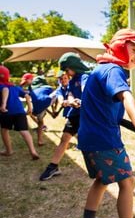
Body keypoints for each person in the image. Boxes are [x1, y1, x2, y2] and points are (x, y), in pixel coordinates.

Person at [76, 28, 135, 218]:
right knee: (127, 182)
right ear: (120, 47)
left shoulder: (99, 70)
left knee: (102, 180)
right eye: (134, 50)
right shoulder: (113, 70)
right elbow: (126, 95)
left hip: (88, 139)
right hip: (105, 140)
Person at [39, 53, 90, 181]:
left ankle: (96, 167)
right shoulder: (72, 81)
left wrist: (82, 100)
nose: (66, 74)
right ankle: (53, 166)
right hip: (74, 115)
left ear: (73, 66)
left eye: (67, 70)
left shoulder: (85, 77)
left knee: (88, 143)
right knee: (64, 139)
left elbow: (86, 91)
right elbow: (71, 94)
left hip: (87, 115)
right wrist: (72, 101)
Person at [0, 66, 39, 160]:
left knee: (4, 130)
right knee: (24, 131)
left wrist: (4, 104)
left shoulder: (1, 85)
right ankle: (33, 151)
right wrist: (29, 107)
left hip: (7, 112)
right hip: (20, 111)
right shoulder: (15, 87)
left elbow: (5, 90)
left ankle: (8, 150)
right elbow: (27, 95)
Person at [21, 75, 55, 146]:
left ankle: (40, 139)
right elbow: (49, 100)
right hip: (42, 104)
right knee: (39, 121)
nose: (26, 83)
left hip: (38, 105)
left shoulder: (33, 88)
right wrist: (53, 111)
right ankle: (40, 139)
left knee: (39, 121)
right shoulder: (47, 88)